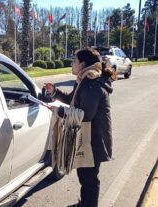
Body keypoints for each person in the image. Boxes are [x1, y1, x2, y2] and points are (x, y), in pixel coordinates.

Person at [44, 48, 117, 207]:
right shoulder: (85, 81)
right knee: (85, 176)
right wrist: (55, 92)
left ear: (83, 64)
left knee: (89, 179)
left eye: (74, 61)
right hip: (89, 138)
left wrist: (59, 111)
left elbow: (86, 114)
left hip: (94, 140)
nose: (72, 64)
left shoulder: (92, 83)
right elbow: (72, 99)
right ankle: (85, 204)